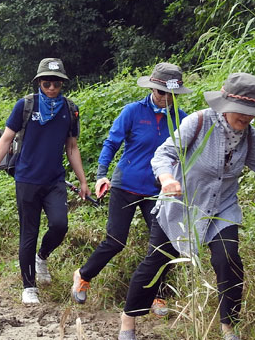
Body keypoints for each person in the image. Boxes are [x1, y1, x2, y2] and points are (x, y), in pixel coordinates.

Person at [121, 73, 255, 340]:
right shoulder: (199, 122)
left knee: (229, 260)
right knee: (156, 263)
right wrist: (167, 179)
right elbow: (164, 154)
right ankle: (128, 319)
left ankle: (228, 327)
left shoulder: (250, 135)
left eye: (253, 113)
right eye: (243, 111)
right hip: (181, 205)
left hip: (221, 207)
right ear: (225, 104)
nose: (248, 118)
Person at [72, 63, 191, 307]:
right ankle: (83, 276)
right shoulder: (133, 112)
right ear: (152, 89)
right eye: (161, 93)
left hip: (158, 190)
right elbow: (111, 143)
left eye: (171, 95)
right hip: (126, 185)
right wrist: (100, 175)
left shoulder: (183, 119)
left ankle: (155, 294)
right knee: (116, 241)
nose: (166, 99)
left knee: (165, 244)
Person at [0, 57, 89, 304]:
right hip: (27, 179)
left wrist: (83, 181)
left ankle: (41, 257)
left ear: (63, 83)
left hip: (54, 180)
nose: (51, 87)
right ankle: (28, 286)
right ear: (39, 82)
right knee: (28, 233)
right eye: (46, 82)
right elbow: (6, 138)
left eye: (56, 83)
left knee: (60, 225)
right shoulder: (26, 105)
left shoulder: (70, 109)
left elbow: (72, 147)